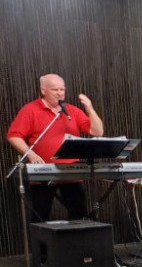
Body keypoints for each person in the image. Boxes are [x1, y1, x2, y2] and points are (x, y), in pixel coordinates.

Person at [7, 73, 105, 221]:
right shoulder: (30, 110)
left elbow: (97, 132)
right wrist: (31, 154)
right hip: (42, 173)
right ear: (43, 90)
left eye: (62, 89)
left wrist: (90, 110)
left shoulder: (72, 111)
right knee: (40, 217)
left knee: (80, 217)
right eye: (55, 90)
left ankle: (77, 237)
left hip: (71, 173)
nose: (60, 93)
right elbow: (14, 135)